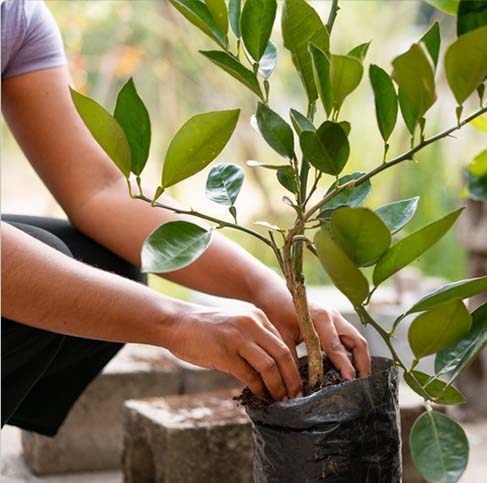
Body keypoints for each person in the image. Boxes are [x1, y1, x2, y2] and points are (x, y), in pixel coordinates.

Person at [1, 0, 370, 437]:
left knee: (108, 268)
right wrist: (178, 323)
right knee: (62, 265)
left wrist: (264, 288)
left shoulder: (16, 18)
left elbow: (100, 194)